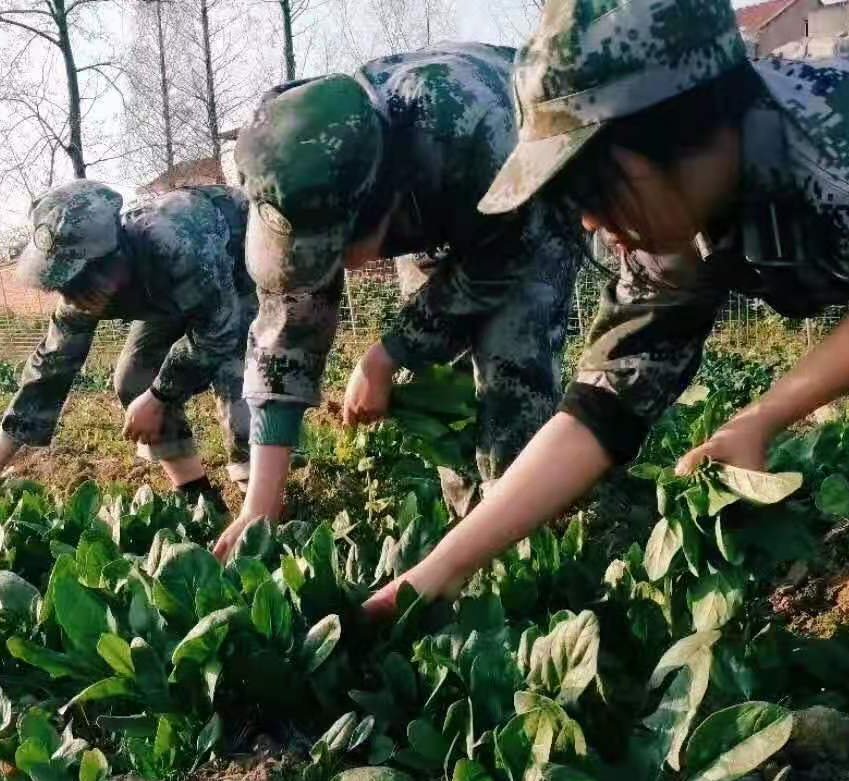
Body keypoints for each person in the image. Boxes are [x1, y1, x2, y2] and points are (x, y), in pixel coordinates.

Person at [361, 0, 849, 656]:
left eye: (594, 183)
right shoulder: (665, 212)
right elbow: (605, 399)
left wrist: (764, 414)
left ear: (689, 131)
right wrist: (441, 570)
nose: (591, 220)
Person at [212, 45, 585, 559]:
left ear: (380, 205)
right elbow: (285, 333)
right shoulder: (294, 172)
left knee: (511, 370)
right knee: (444, 386)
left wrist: (388, 351)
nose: (337, 267)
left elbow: (504, 262)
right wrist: (260, 503)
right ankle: (468, 523)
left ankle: (525, 546)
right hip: (431, 206)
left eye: (343, 250)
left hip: (517, 205)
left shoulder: (475, 127)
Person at [0, 180, 254, 510]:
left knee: (238, 387)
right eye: (64, 283)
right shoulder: (81, 294)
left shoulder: (176, 239)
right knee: (134, 379)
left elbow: (218, 331)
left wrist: (160, 396)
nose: (74, 296)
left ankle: (261, 512)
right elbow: (45, 376)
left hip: (236, 271)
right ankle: (200, 503)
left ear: (113, 255)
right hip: (169, 295)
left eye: (81, 279)